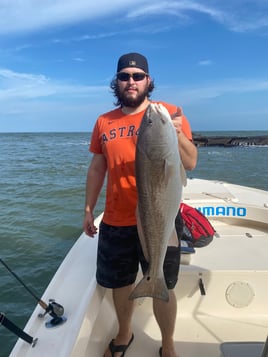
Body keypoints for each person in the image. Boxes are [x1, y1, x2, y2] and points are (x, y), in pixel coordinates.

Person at [83, 52, 198, 357]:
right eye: (125, 76)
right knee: (120, 284)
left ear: (148, 80)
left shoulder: (169, 114)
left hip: (161, 216)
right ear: (116, 82)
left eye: (137, 76)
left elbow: (190, 162)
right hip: (117, 219)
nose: (131, 81)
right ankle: (124, 334)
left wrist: (177, 135)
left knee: (165, 285)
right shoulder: (103, 121)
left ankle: (169, 344)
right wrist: (87, 209)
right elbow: (97, 167)